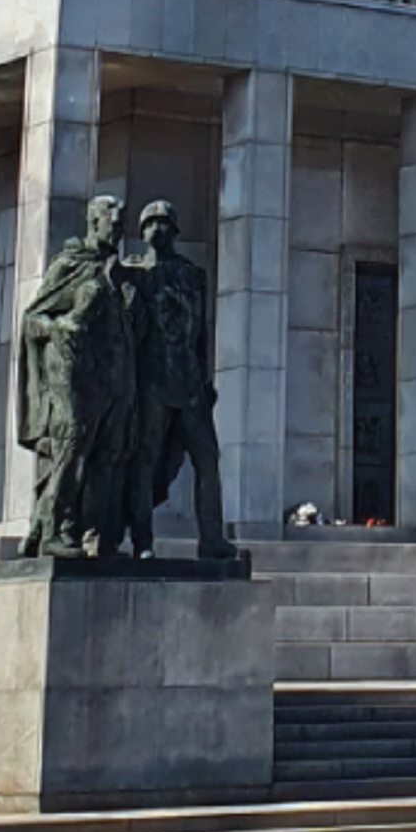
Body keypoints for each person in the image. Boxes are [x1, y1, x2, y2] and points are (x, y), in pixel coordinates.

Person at [15, 193, 135, 560]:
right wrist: (59, 327)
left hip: (114, 376)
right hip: (75, 375)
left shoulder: (120, 271)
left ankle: (98, 535)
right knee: (71, 447)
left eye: (121, 227)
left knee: (109, 455)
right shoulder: (70, 265)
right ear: (94, 222)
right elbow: (33, 319)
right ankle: (54, 530)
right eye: (112, 225)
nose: (117, 233)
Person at [127, 197, 230, 565]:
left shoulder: (191, 275)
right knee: (144, 460)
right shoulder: (133, 274)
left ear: (174, 231)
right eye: (151, 224)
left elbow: (200, 332)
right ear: (142, 232)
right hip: (152, 382)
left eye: (164, 224)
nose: (158, 229)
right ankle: (142, 542)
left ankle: (212, 539)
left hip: (189, 383)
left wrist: (205, 378)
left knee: (208, 459)